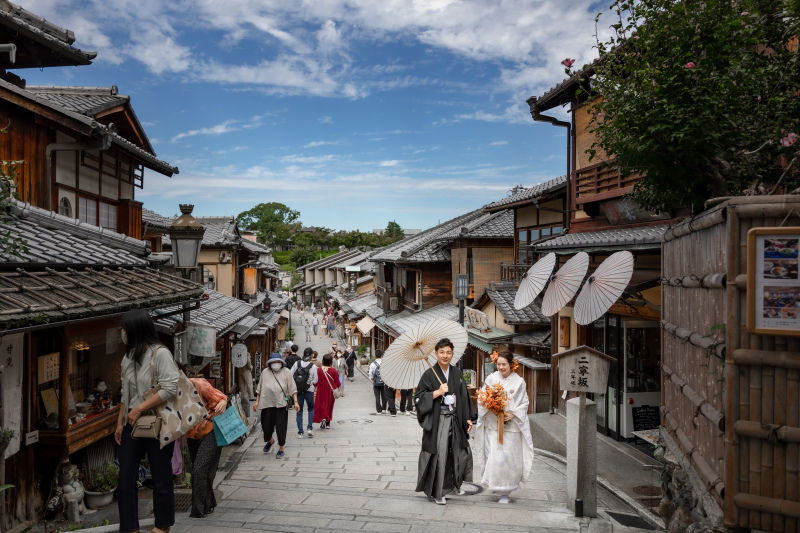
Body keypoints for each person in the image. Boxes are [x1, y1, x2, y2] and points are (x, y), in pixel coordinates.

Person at [115, 309, 178, 533]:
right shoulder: (128, 357)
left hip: (158, 421)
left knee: (161, 476)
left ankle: (162, 525)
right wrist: (119, 422)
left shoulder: (160, 354)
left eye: (125, 329)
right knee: (125, 477)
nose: (122, 333)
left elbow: (171, 387)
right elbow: (125, 393)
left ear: (135, 331)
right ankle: (130, 527)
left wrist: (140, 408)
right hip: (131, 422)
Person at [414, 338, 476, 505]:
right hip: (438, 421)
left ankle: (455, 484)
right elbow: (418, 399)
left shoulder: (456, 373)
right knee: (440, 455)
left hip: (456, 419)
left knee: (458, 452)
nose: (445, 355)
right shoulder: (428, 374)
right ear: (435, 354)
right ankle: (438, 492)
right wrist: (437, 393)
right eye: (441, 352)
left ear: (452, 354)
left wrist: (468, 417)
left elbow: (464, 397)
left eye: (448, 352)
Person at [473, 350, 535, 504]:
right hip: (494, 425)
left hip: (512, 428)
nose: (501, 367)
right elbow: (482, 399)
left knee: (509, 459)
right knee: (495, 457)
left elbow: (524, 402)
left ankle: (506, 491)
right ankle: (496, 485)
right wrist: (490, 405)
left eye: (504, 364)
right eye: (498, 364)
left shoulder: (519, 382)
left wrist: (513, 414)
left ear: (511, 365)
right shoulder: (491, 378)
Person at [183, 370, 228, 518]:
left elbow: (221, 397)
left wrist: (222, 402)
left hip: (212, 430)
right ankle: (209, 503)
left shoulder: (198, 384)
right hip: (192, 435)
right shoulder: (168, 394)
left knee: (199, 469)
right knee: (204, 471)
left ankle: (198, 509)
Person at [254, 353, 300, 458]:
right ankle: (270, 440)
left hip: (281, 404)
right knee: (266, 427)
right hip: (267, 403)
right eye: (273, 362)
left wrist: (296, 402)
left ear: (281, 363)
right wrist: (257, 401)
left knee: (281, 427)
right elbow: (259, 388)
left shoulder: (286, 372)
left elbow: (293, 388)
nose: (275, 364)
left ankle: (281, 448)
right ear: (269, 363)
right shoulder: (265, 372)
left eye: (277, 362)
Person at [290, 350, 318, 438]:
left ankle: (300, 432)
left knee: (299, 411)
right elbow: (315, 380)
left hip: (298, 391)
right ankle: (309, 428)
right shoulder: (313, 366)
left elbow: (290, 375)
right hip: (309, 391)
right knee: (311, 409)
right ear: (311, 355)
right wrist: (308, 383)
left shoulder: (297, 364)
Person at [313, 353, 340, 429]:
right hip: (330, 392)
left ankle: (323, 418)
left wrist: (313, 390)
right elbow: (337, 382)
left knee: (322, 405)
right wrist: (340, 391)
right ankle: (328, 423)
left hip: (321, 391)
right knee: (329, 406)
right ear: (330, 361)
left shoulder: (318, 370)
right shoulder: (334, 371)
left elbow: (315, 382)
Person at [369, 350, 395, 416]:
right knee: (384, 396)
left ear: (375, 355)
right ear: (382, 355)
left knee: (377, 397)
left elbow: (370, 374)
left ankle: (379, 410)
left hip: (376, 383)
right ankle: (384, 409)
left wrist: (373, 380)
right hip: (384, 382)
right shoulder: (385, 363)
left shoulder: (373, 364)